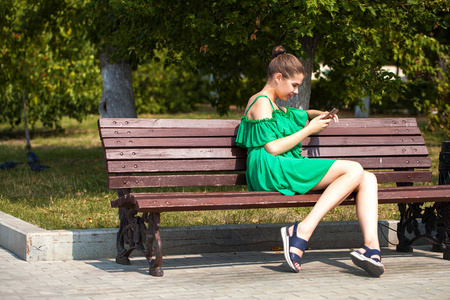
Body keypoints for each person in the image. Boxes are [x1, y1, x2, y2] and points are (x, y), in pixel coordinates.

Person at [235, 45, 385, 277]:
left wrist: (319, 114)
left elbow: (301, 114)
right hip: (270, 168)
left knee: (368, 178)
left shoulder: (275, 105)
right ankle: (302, 230)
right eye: (294, 85)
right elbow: (272, 148)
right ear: (277, 77)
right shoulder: (261, 102)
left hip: (282, 165)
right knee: (354, 168)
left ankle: (371, 247)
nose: (295, 91)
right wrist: (310, 130)